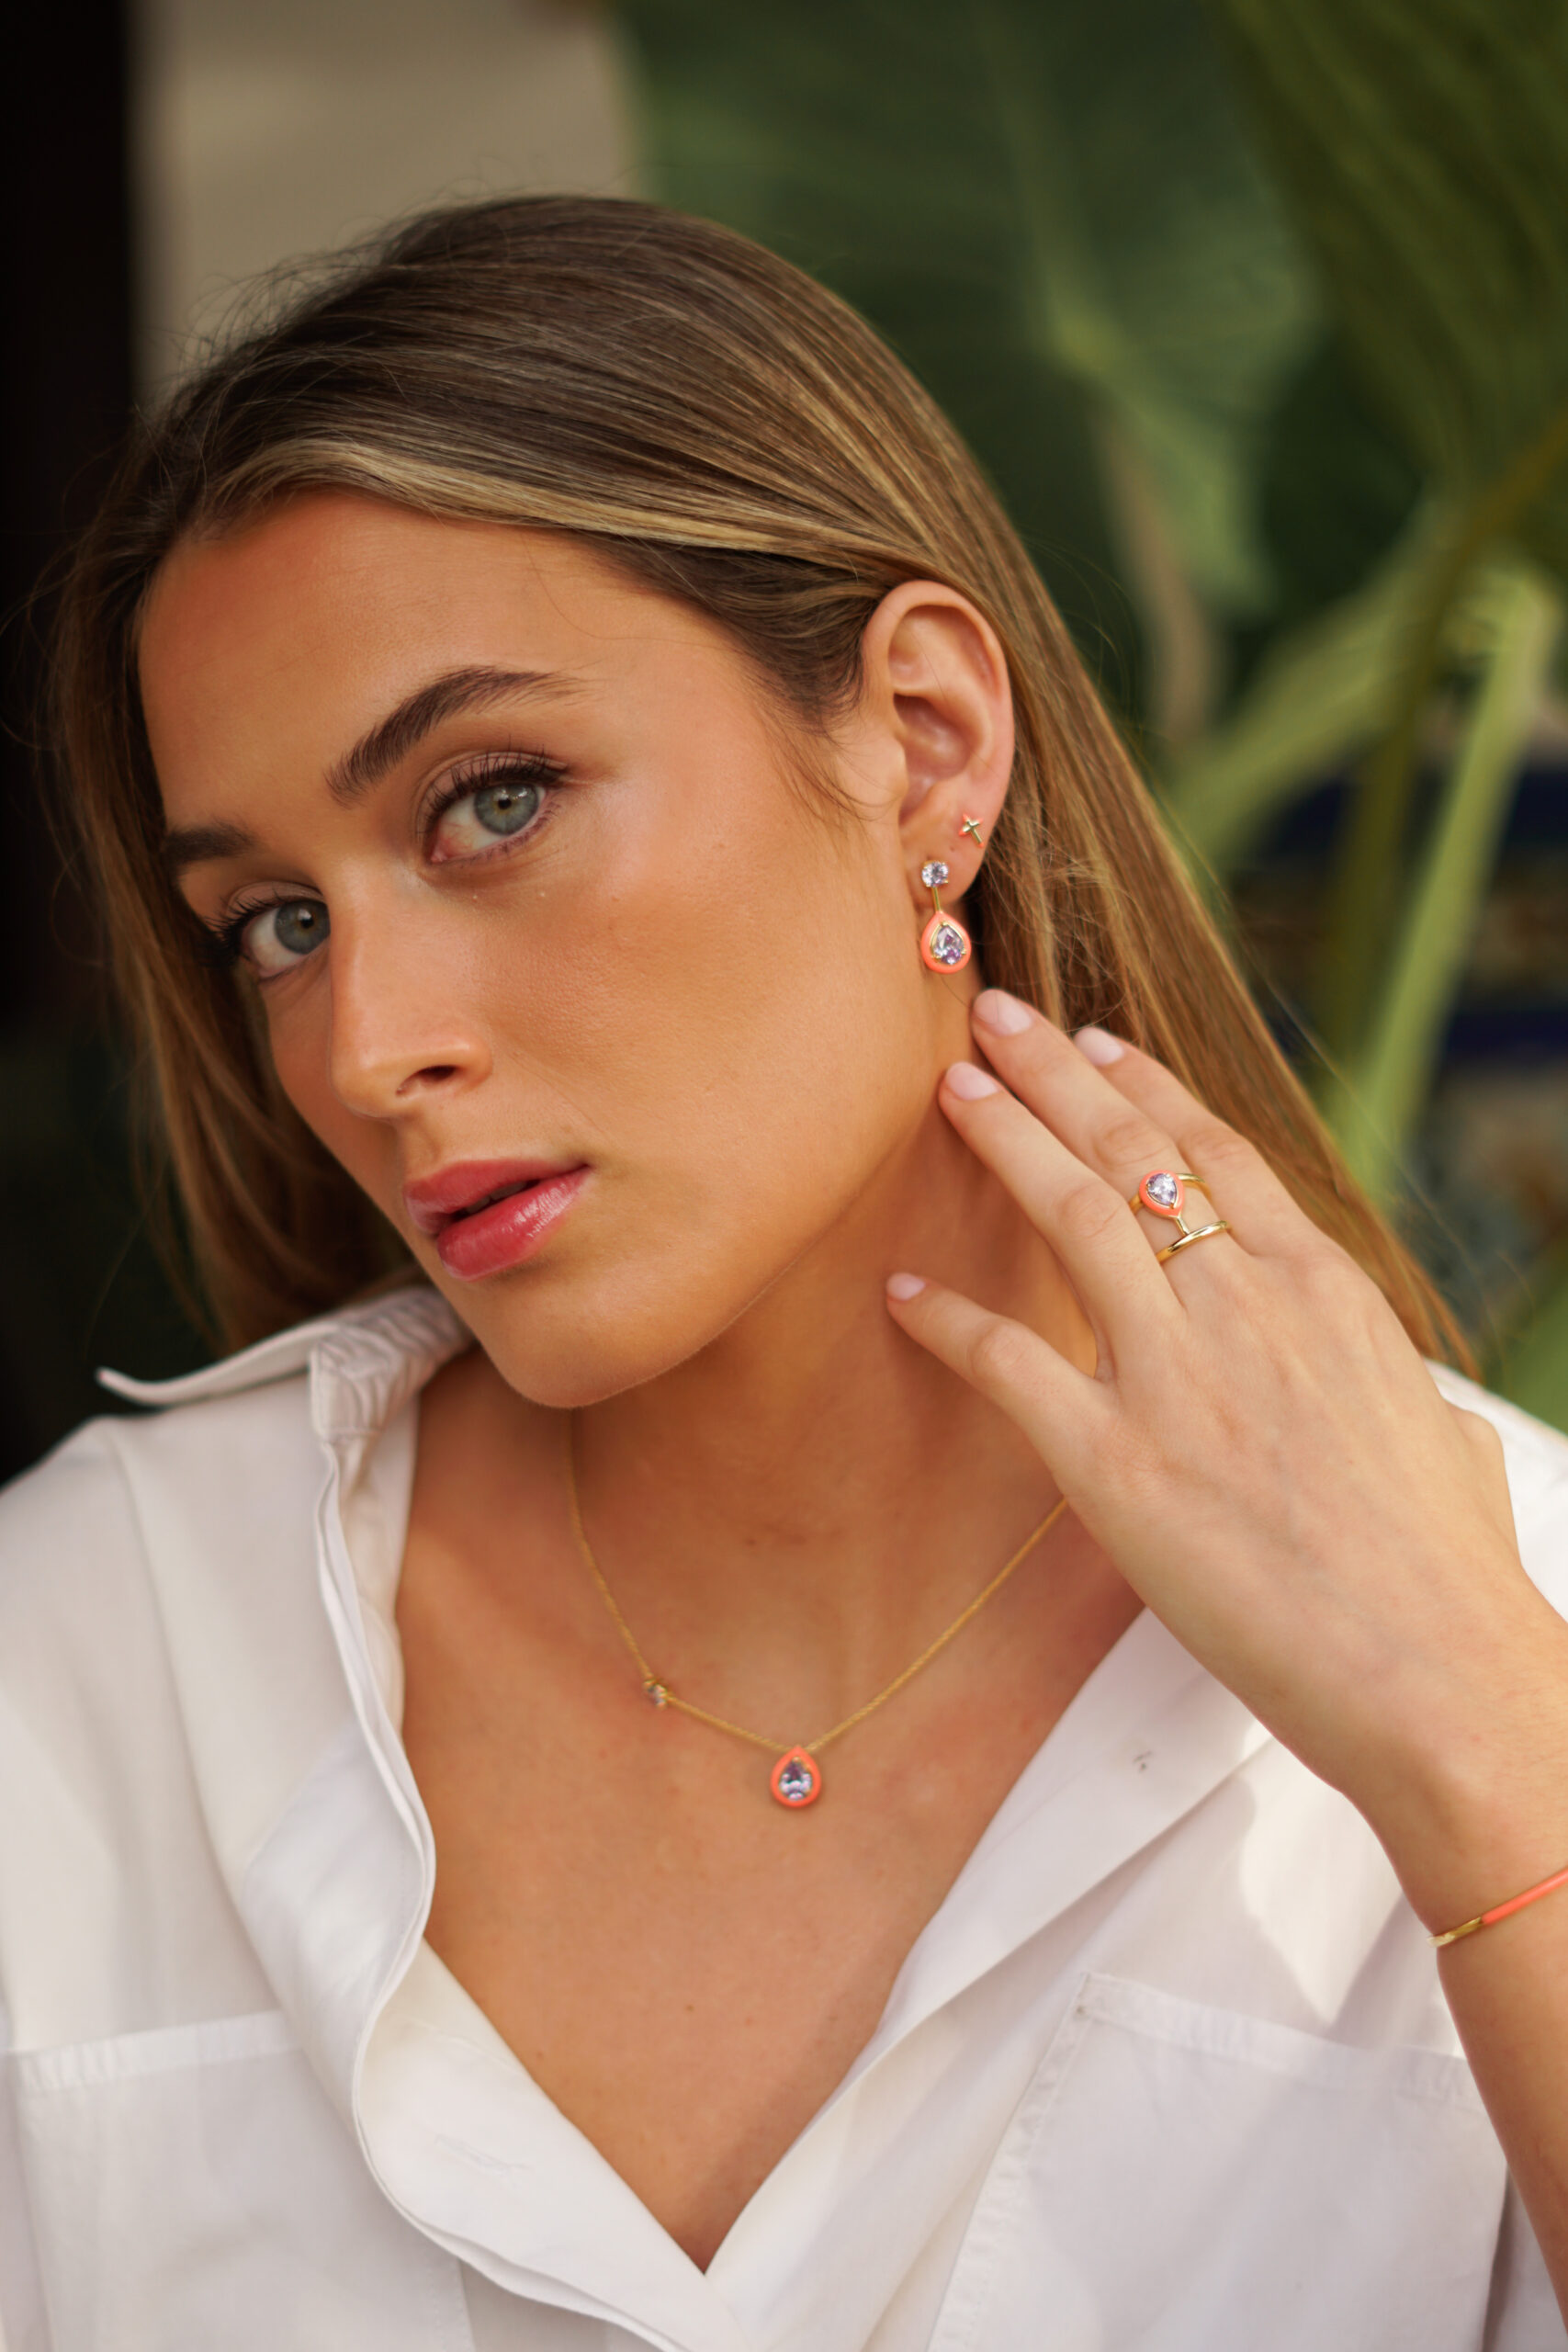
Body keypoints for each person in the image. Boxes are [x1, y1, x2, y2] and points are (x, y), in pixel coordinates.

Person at [2, 195, 1566, 2352]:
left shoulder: (1515, 1628)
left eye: (491, 801)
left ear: (921, 736)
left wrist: (1490, 1766)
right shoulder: (90, 1662)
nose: (364, 1049)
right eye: (276, 920)